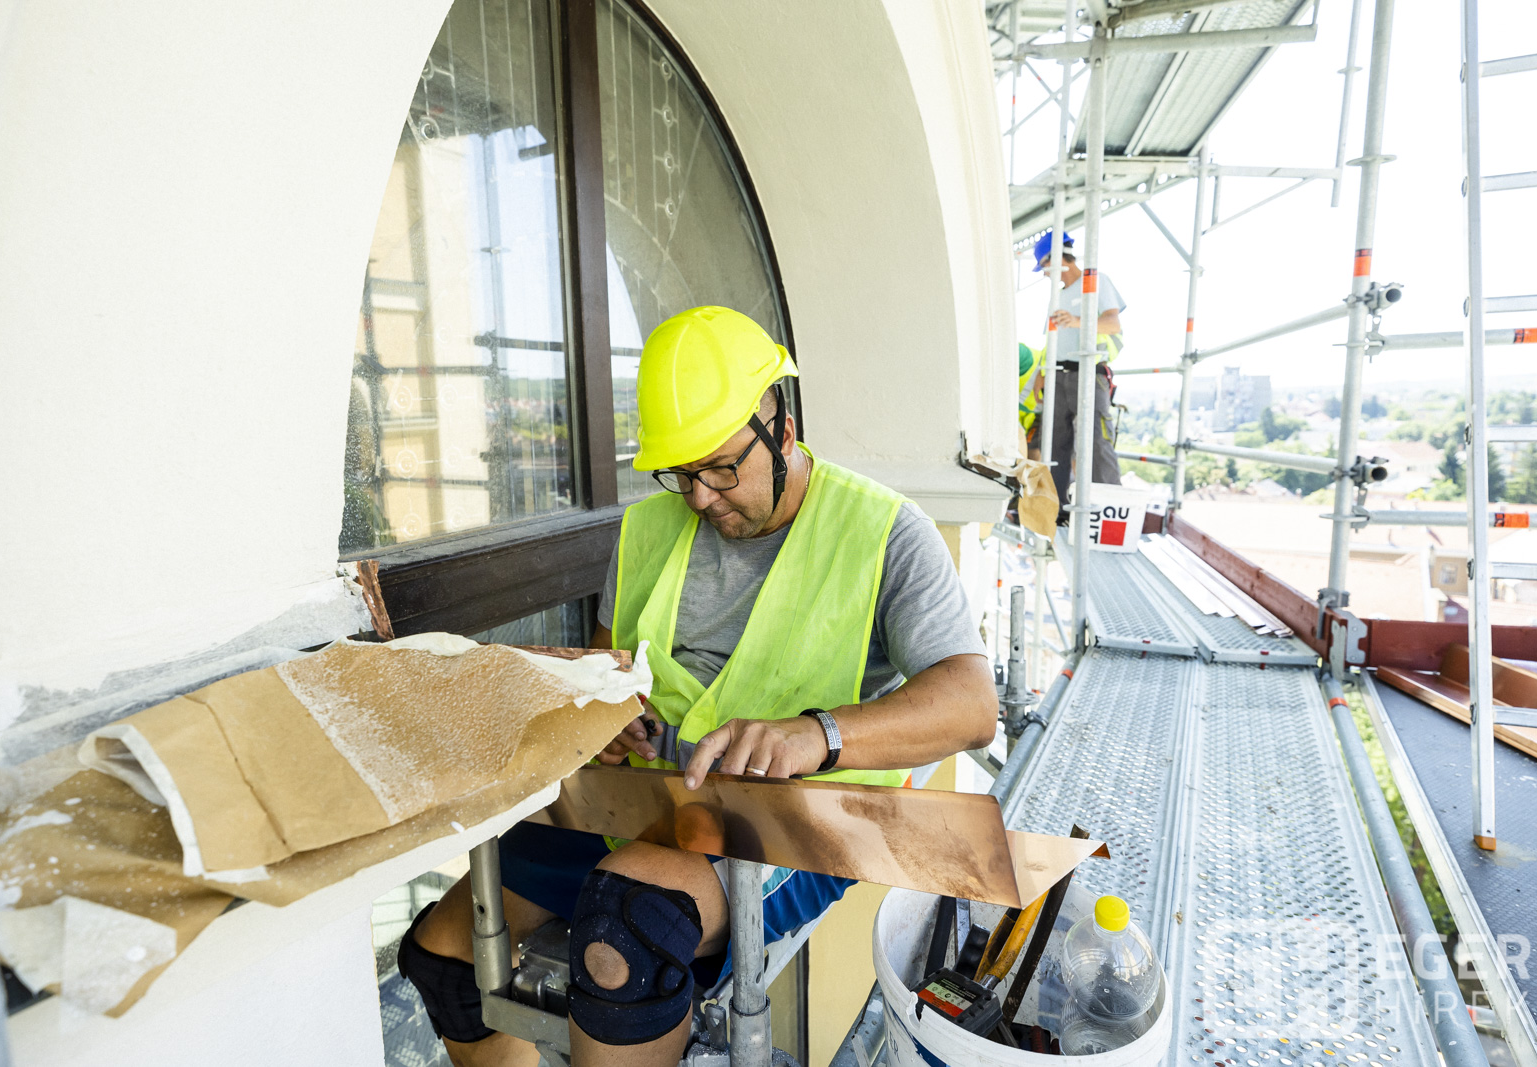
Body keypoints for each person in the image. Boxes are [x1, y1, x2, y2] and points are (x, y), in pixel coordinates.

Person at [398, 305, 999, 1067]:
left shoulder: (886, 532)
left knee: (626, 931)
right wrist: (605, 719)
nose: (701, 498)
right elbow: (606, 673)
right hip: (641, 804)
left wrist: (817, 734)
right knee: (442, 958)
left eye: (721, 468)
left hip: (795, 824)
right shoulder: (647, 529)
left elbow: (971, 705)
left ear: (783, 429)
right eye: (681, 475)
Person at [1024, 229, 1125, 516]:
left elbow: (1113, 324)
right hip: (1058, 376)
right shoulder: (1058, 297)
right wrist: (1041, 374)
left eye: (1044, 266)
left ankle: (1110, 509)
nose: (1045, 273)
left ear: (1055, 259)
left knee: (1096, 443)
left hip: (1089, 374)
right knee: (1056, 445)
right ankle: (1058, 511)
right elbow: (1052, 341)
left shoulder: (1096, 282)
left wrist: (1078, 320)